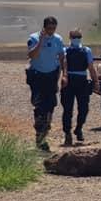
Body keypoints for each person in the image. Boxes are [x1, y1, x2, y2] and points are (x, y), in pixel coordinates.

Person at [27, 16, 66, 150]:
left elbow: (62, 58)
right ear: (44, 27)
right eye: (49, 28)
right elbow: (32, 55)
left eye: (53, 28)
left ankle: (45, 134)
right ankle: (39, 137)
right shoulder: (34, 38)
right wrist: (41, 41)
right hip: (38, 76)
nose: (51, 31)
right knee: (39, 107)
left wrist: (64, 75)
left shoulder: (58, 39)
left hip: (51, 76)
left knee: (50, 106)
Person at [60, 27, 99, 146]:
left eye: (78, 37)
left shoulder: (86, 50)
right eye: (74, 37)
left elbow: (91, 67)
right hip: (69, 81)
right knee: (67, 110)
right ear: (70, 38)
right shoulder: (65, 50)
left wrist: (96, 81)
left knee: (84, 109)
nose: (76, 39)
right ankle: (67, 133)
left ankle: (79, 128)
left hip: (82, 81)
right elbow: (63, 65)